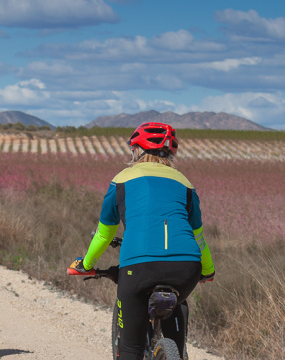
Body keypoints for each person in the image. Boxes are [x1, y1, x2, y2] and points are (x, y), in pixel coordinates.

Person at [70, 122, 215, 360]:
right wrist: (208, 271)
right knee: (179, 300)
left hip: (139, 266)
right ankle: (176, 352)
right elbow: (198, 236)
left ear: (137, 151)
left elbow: (104, 233)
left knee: (130, 350)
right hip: (187, 267)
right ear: (170, 153)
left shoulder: (122, 179)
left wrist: (86, 264)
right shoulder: (185, 183)